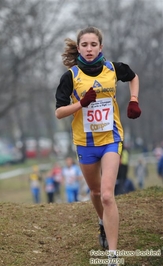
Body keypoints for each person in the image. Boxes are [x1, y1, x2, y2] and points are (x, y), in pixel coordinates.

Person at [55, 26, 141, 264]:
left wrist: (133, 100)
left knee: (106, 195)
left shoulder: (113, 69)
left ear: (100, 47)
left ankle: (113, 255)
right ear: (79, 47)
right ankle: (103, 223)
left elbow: (133, 77)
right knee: (94, 192)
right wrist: (80, 104)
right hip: (85, 143)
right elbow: (59, 112)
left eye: (94, 45)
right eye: (85, 45)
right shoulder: (71, 76)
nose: (89, 49)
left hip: (111, 138)